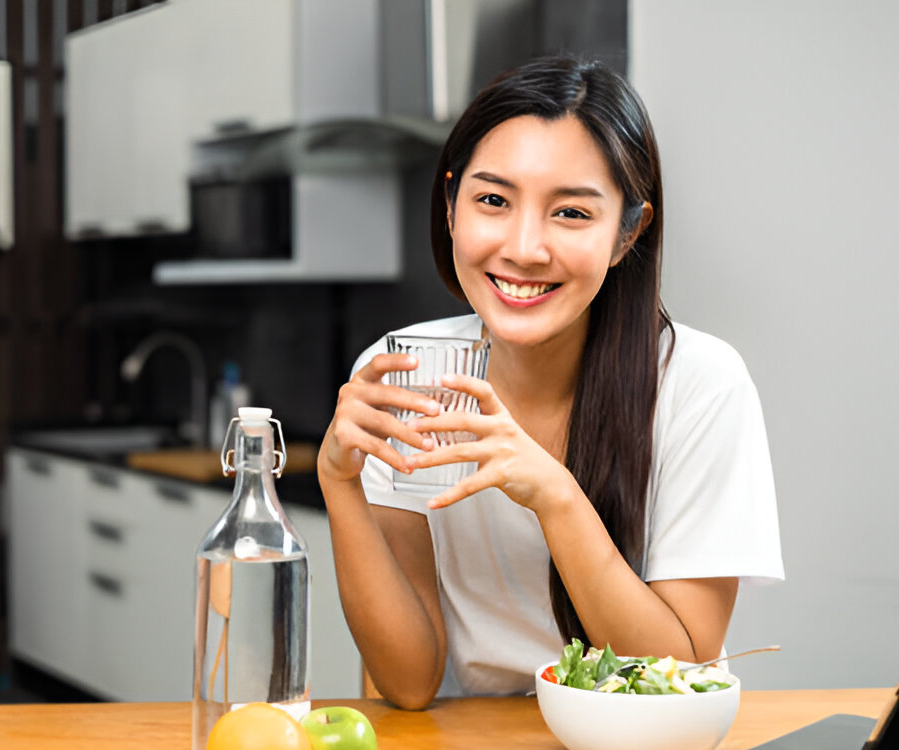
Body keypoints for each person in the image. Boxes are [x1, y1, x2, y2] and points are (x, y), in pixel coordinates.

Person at [317, 56, 784, 710]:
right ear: (451, 206)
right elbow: (408, 682)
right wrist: (340, 485)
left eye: (570, 213)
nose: (525, 248)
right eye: (492, 201)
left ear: (628, 233)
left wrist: (555, 497)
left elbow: (680, 674)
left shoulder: (700, 385)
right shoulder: (406, 377)